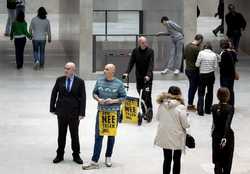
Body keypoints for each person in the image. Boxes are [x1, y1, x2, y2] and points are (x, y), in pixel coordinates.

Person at [82, 64, 126, 170]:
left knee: (111, 136)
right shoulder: (99, 81)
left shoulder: (119, 84)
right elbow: (94, 93)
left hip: (113, 113)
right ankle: (94, 161)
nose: (104, 70)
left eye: (107, 69)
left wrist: (113, 101)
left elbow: (123, 97)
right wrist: (98, 99)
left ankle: (108, 157)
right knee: (98, 136)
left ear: (112, 71)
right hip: (101, 112)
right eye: (105, 69)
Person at [50, 62, 86, 164]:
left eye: (68, 68)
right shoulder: (59, 80)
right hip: (61, 112)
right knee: (61, 134)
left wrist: (82, 113)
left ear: (73, 70)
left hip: (74, 113)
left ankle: (76, 155)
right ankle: (59, 154)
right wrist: (52, 108)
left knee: (74, 135)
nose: (66, 70)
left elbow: (83, 98)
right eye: (65, 68)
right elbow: (54, 94)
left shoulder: (80, 82)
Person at [155, 86, 190, 174]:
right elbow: (185, 125)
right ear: (179, 94)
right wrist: (187, 117)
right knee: (177, 159)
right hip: (177, 136)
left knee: (167, 159)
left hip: (164, 135)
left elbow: (158, 118)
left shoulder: (162, 104)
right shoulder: (181, 107)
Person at [123, 36, 154, 122]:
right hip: (139, 77)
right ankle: (145, 111)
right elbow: (131, 63)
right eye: (143, 43)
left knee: (147, 95)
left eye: (146, 42)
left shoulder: (150, 51)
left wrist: (148, 75)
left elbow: (151, 65)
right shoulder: (135, 51)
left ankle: (149, 111)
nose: (145, 44)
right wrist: (127, 72)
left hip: (148, 78)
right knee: (140, 94)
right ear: (139, 43)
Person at [211, 87, 234, 174]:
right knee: (227, 160)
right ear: (228, 96)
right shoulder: (230, 108)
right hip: (227, 136)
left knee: (217, 160)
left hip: (216, 135)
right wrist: (225, 137)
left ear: (217, 96)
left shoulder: (214, 107)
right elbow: (227, 124)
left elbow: (214, 122)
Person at [195, 42, 218, 116]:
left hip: (202, 75)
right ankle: (208, 110)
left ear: (204, 47)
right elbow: (215, 66)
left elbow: (197, 64)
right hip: (211, 75)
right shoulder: (214, 54)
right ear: (211, 48)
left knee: (201, 93)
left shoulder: (201, 53)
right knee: (210, 92)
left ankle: (200, 110)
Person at [184, 34, 204, 112]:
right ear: (200, 40)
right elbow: (199, 61)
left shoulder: (187, 46)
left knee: (191, 87)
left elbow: (184, 57)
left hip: (187, 70)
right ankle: (190, 105)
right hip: (194, 71)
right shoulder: (197, 49)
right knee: (193, 88)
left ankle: (190, 104)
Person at [219, 39, 238, 107]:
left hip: (225, 75)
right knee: (231, 89)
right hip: (231, 74)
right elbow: (235, 61)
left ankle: (224, 103)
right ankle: (231, 104)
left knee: (224, 89)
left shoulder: (223, 53)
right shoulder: (233, 52)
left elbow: (221, 65)